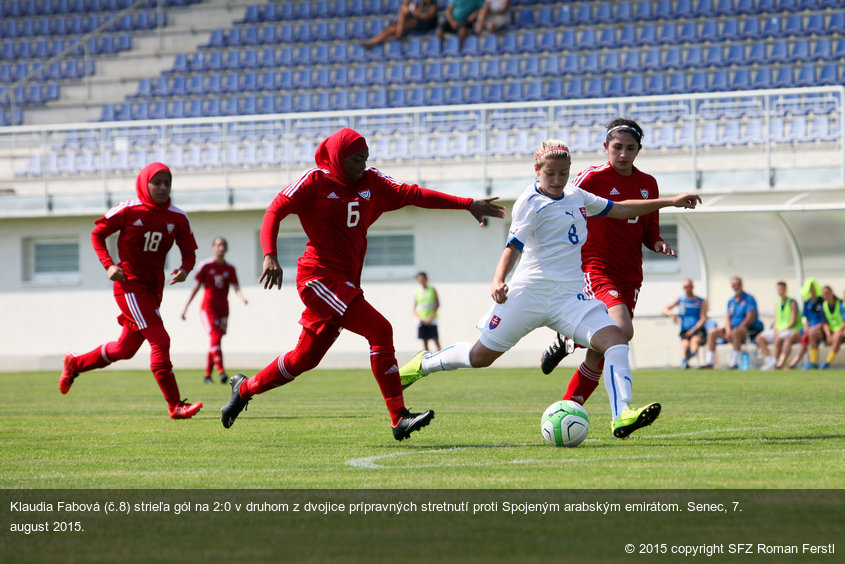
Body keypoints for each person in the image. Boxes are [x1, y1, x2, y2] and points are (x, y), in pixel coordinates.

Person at [399, 140, 701, 439]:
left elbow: (620, 209)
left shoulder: (576, 195)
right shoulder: (529, 202)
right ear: (537, 170)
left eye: (563, 173)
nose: (557, 180)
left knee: (616, 339)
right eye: (550, 174)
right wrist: (498, 280)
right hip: (528, 294)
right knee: (480, 357)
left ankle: (622, 414)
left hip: (569, 297)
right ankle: (422, 365)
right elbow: (512, 247)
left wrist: (670, 202)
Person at [219, 128, 505, 441]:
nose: (362, 165)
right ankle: (399, 417)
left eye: (365, 158)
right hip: (318, 279)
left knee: (304, 359)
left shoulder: (371, 181)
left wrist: (466, 204)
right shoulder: (315, 180)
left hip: (344, 284)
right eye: (356, 159)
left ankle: (244, 388)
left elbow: (414, 194)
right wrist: (270, 255)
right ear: (339, 158)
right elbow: (275, 209)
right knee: (380, 329)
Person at [539, 119, 677, 412]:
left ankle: (567, 407)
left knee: (601, 348)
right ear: (606, 147)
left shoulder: (648, 184)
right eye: (617, 147)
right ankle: (570, 340)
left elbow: (650, 229)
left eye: (630, 148)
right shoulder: (590, 178)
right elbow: (560, 201)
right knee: (622, 330)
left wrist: (658, 243)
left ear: (639, 150)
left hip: (630, 274)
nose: (623, 154)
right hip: (595, 266)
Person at [59, 162, 203, 420]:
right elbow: (97, 234)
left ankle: (75, 364)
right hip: (129, 286)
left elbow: (190, 253)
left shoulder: (177, 217)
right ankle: (175, 406)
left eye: (166, 183)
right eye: (156, 182)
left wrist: (185, 269)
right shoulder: (128, 209)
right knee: (161, 340)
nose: (162, 187)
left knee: (124, 350)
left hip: (153, 290)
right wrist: (109, 265)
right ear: (144, 183)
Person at [181, 237, 248, 384]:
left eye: (223, 245)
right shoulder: (205, 266)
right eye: (218, 245)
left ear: (226, 249)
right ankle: (221, 371)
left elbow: (236, 287)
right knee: (215, 337)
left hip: (223, 309)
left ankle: (207, 375)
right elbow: (196, 287)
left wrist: (242, 297)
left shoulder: (230, 268)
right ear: (213, 248)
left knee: (215, 341)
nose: (221, 248)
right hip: (208, 309)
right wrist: (186, 307)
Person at [699, 277, 764, 369]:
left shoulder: (749, 298)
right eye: (733, 285)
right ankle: (709, 362)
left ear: (741, 285)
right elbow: (728, 317)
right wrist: (728, 330)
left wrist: (736, 329)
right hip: (732, 329)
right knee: (712, 332)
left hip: (747, 329)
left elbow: (750, 317)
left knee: (736, 332)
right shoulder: (731, 301)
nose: (735, 287)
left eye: (737, 284)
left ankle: (734, 362)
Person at [661, 279, 708, 369]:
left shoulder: (700, 301)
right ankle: (683, 363)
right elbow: (664, 309)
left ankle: (693, 357)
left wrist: (693, 330)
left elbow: (703, 318)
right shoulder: (680, 299)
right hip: (685, 329)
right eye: (685, 287)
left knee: (694, 341)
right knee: (685, 344)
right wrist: (672, 315)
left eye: (689, 286)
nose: (687, 289)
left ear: (692, 287)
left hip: (697, 329)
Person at [755, 281, 801, 370]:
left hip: (790, 329)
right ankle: (770, 360)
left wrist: (782, 331)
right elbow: (776, 320)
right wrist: (775, 331)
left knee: (780, 339)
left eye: (782, 289)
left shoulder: (792, 302)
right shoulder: (778, 303)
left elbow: (793, 321)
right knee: (759, 338)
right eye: (778, 289)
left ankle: (778, 362)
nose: (780, 291)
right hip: (779, 330)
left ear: (786, 290)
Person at [787, 278, 827, 370]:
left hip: (818, 329)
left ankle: (812, 362)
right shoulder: (807, 303)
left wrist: (814, 328)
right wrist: (806, 327)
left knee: (809, 336)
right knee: (793, 336)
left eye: (813, 288)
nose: (812, 290)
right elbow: (805, 318)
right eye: (810, 288)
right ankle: (792, 361)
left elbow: (824, 319)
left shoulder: (822, 301)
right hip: (809, 329)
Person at [361, 0, 438, 47]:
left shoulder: (433, 6)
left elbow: (425, 17)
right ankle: (372, 42)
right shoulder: (420, 4)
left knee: (403, 14)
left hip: (423, 25)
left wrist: (414, 12)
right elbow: (407, 6)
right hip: (412, 23)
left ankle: (398, 34)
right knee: (392, 29)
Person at [819, 285, 845, 369]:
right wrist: (828, 334)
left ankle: (828, 362)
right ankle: (813, 362)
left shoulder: (840, 303)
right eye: (824, 293)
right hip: (832, 332)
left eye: (827, 293)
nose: (825, 295)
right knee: (812, 334)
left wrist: (839, 331)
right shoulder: (824, 305)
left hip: (841, 330)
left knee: (837, 336)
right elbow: (824, 323)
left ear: (832, 292)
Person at [414, 271, 441, 351]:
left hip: (431, 320)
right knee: (425, 341)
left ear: (426, 279)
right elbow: (414, 308)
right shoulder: (418, 292)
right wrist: (419, 318)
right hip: (422, 320)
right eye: (419, 279)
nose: (421, 280)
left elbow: (437, 304)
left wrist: (431, 317)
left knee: (435, 339)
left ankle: (441, 357)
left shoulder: (432, 290)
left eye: (422, 278)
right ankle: (427, 358)